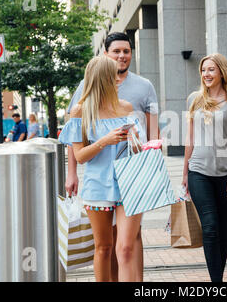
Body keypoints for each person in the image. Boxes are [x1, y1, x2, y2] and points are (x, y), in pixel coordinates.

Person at [65, 32, 159, 281]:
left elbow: (144, 143)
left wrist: (137, 143)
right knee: (104, 248)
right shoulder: (80, 111)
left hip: (129, 183)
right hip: (98, 185)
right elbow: (80, 155)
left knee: (125, 247)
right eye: (112, 75)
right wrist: (105, 141)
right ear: (101, 79)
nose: (119, 78)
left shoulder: (127, 107)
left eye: (125, 53)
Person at [182, 53, 227, 282]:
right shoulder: (195, 100)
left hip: (226, 173)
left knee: (223, 228)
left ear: (221, 72)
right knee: (209, 227)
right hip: (199, 170)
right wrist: (185, 174)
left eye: (211, 69)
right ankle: (216, 283)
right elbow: (189, 139)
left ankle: (218, 277)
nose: (206, 74)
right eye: (203, 70)